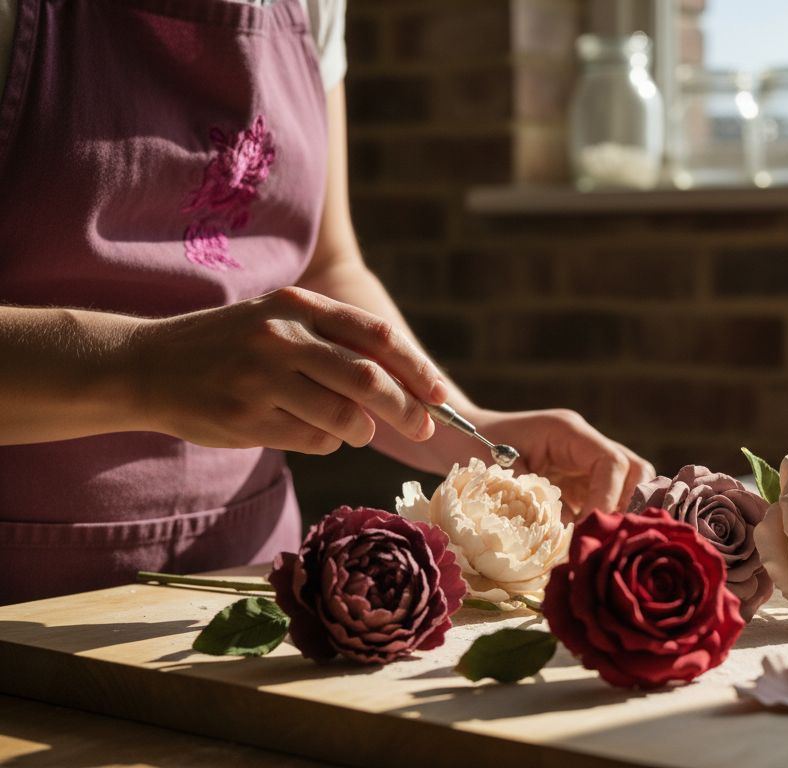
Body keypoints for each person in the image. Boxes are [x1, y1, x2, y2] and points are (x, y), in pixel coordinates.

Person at [0, 0, 652, 605]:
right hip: (24, 586)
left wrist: (471, 432)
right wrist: (146, 370)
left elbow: (326, 267)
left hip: (248, 569)